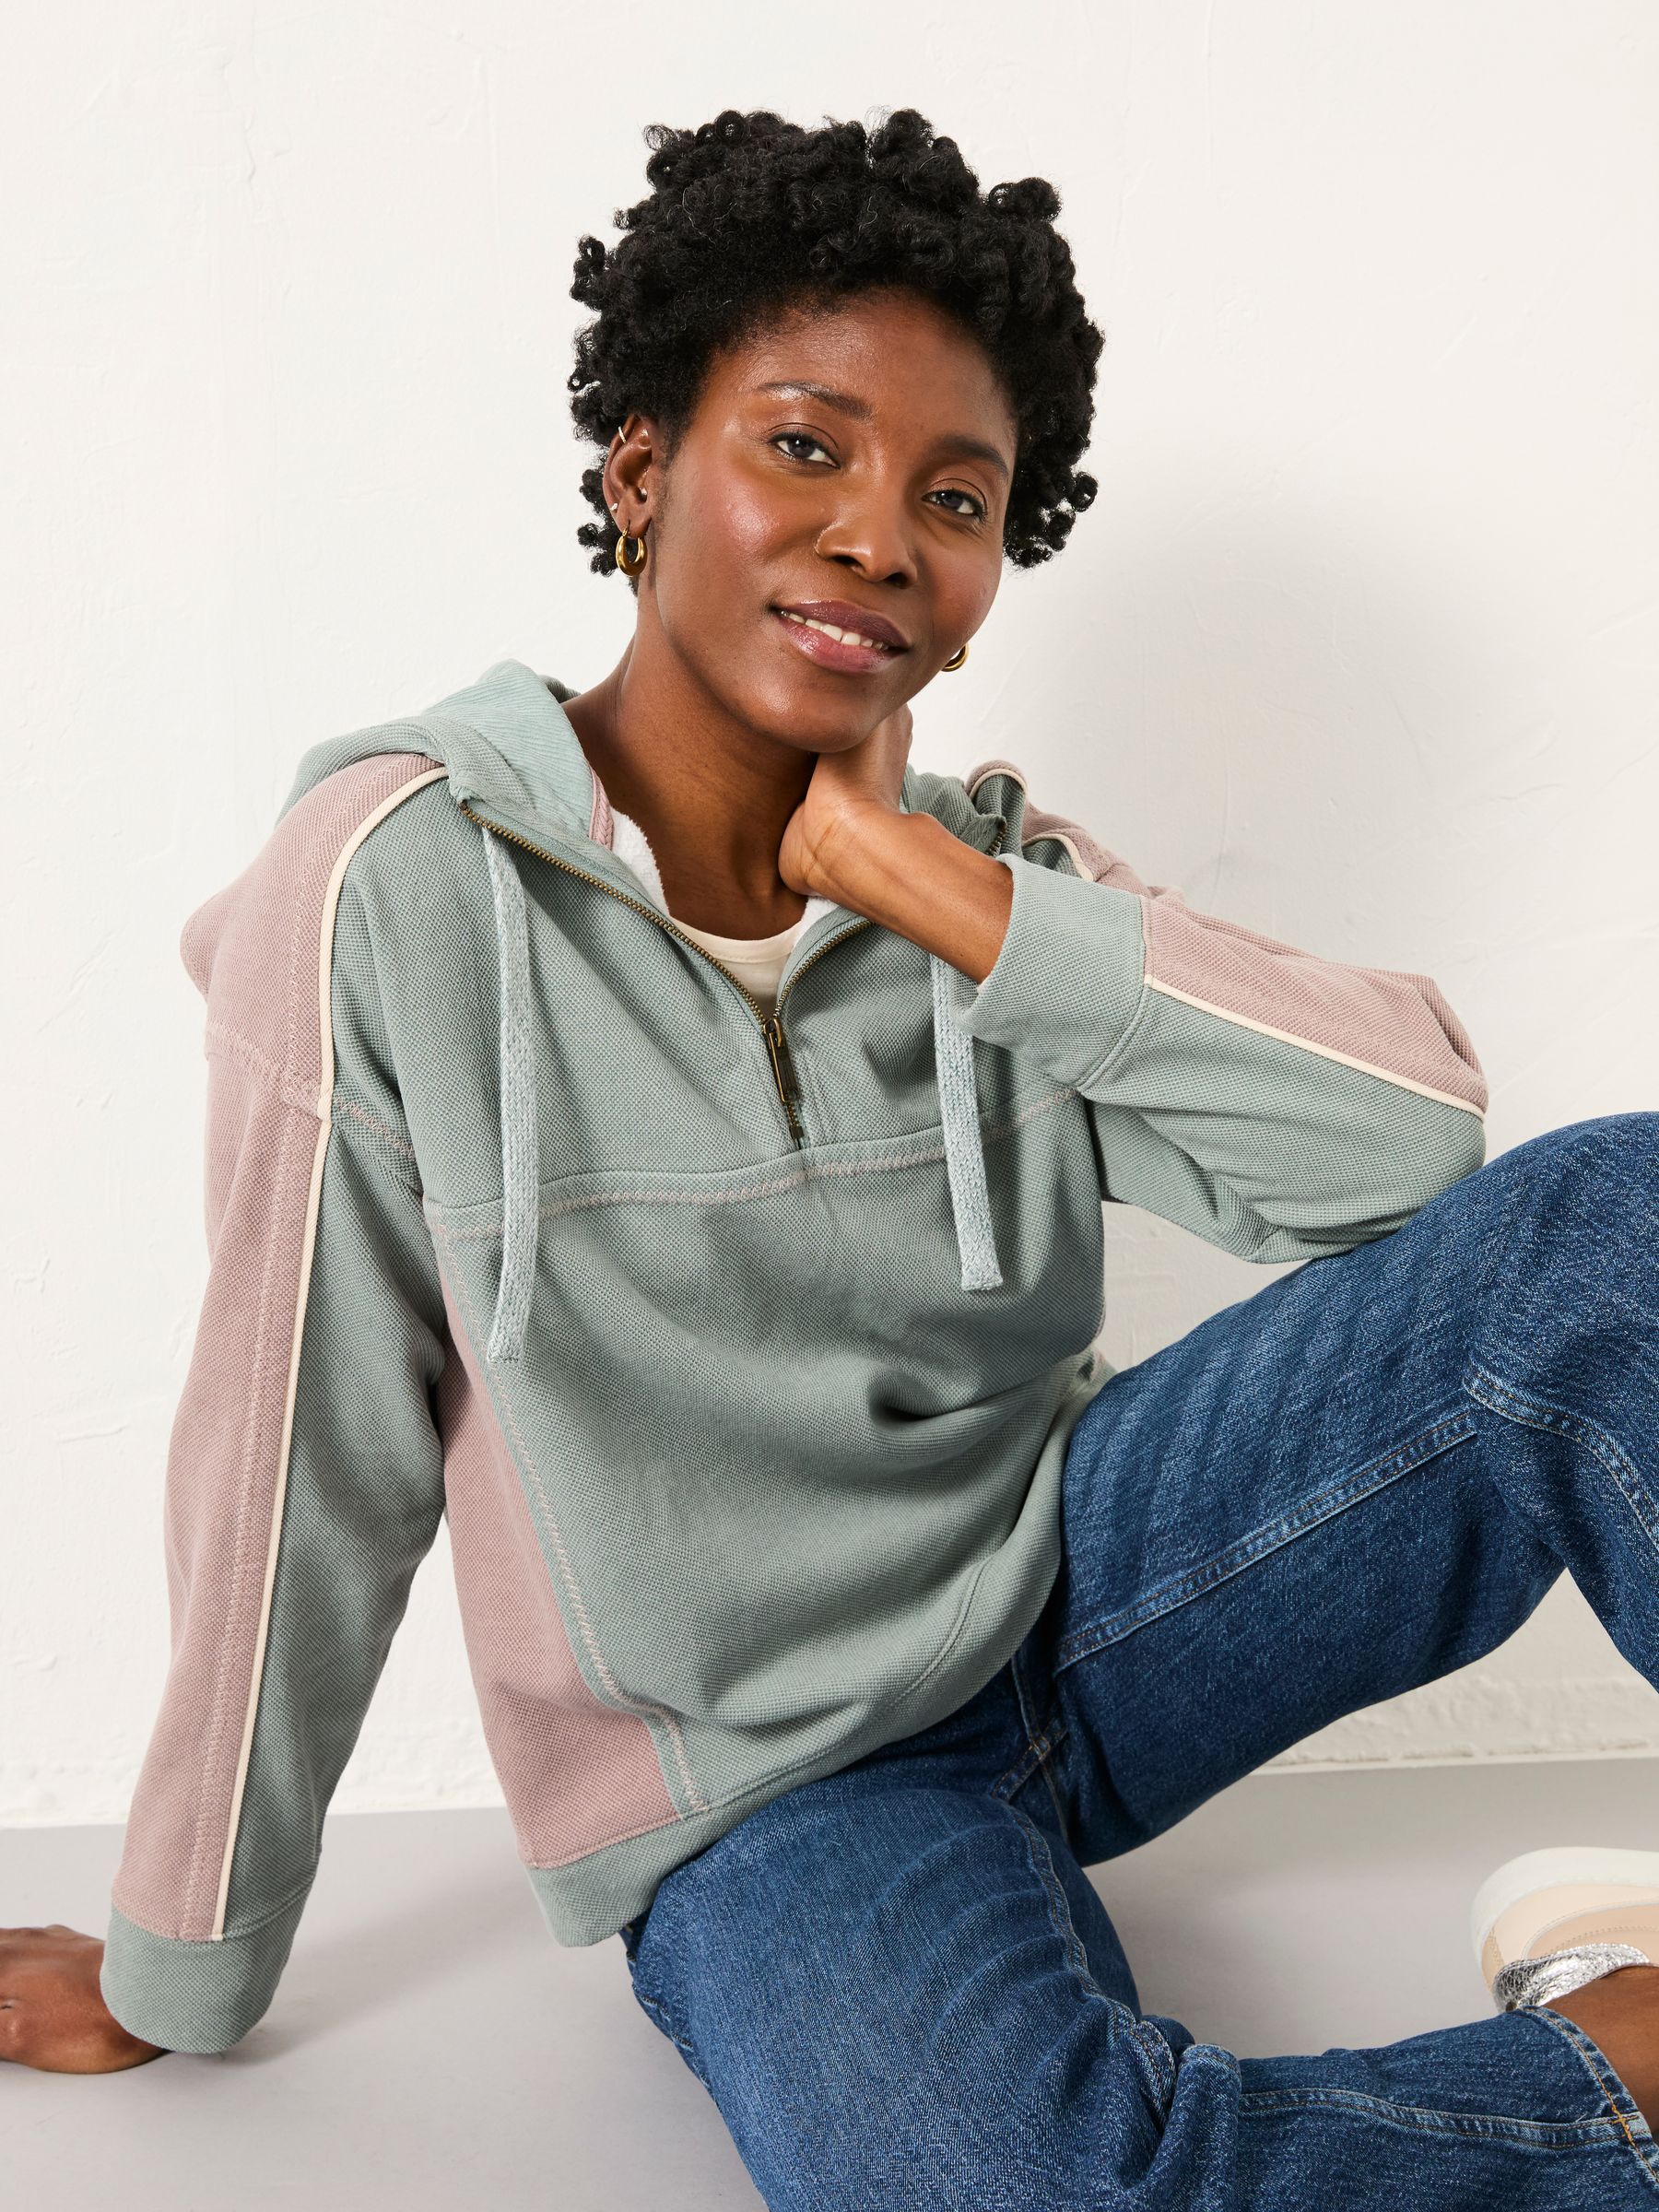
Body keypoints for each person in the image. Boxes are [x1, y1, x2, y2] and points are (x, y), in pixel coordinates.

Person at [3, 104, 1656, 2207]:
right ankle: (1615, 2066)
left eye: (955, 497)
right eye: (805, 446)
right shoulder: (393, 887)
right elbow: (291, 1459)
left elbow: (1415, 1155)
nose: (881, 535)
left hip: (1098, 1609)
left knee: (1620, 1233)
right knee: (1001, 2183)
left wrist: (939, 893)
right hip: (776, 1790)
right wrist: (183, 1961)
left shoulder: (996, 881)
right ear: (640, 472)